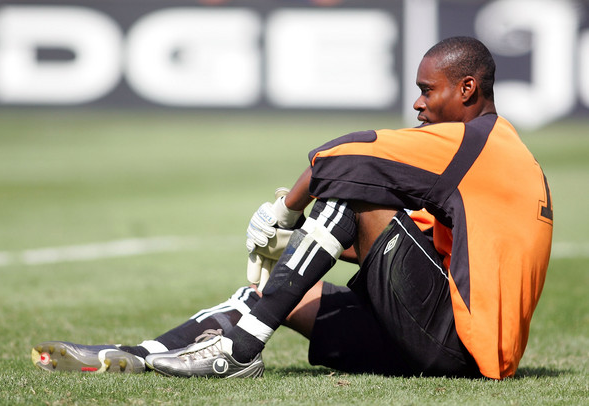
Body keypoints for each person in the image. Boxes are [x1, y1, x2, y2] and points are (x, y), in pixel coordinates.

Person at [32, 36, 553, 380]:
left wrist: (286, 209)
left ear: (467, 88)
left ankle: (239, 351)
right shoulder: (504, 157)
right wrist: (304, 244)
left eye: (427, 91)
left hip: (458, 348)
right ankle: (139, 355)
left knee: (353, 192)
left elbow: (346, 154)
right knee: (266, 296)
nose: (418, 104)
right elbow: (411, 248)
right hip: (452, 341)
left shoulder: (476, 144)